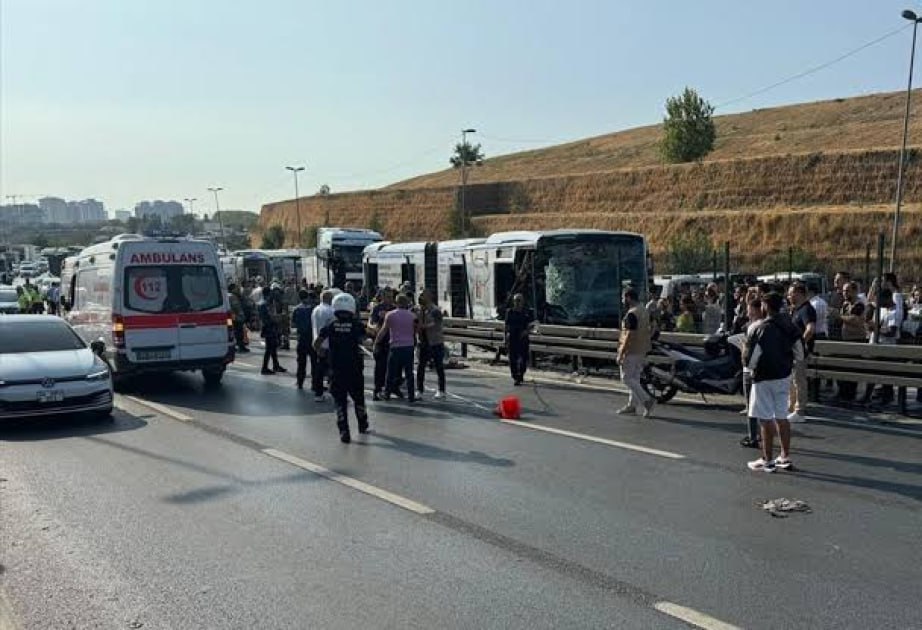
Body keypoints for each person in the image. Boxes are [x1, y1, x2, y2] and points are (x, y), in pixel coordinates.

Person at [745, 292, 802, 473]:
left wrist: (744, 351)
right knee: (782, 417)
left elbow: (750, 360)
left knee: (765, 419)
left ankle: (767, 460)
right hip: (783, 376)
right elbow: (800, 353)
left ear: (765, 306)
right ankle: (784, 456)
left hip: (763, 377)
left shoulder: (759, 328)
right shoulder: (789, 326)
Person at [313, 292, 370, 443]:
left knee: (340, 401)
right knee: (359, 399)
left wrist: (322, 353)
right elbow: (365, 339)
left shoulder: (330, 324)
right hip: (355, 368)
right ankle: (362, 425)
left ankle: (344, 432)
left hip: (336, 369)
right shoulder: (357, 324)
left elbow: (317, 342)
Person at [617, 288, 655, 418]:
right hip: (643, 349)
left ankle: (647, 400)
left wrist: (621, 352)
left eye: (623, 298)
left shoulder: (631, 314)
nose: (622, 300)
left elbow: (629, 335)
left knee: (626, 378)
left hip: (631, 350)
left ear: (628, 298)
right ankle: (632, 405)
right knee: (635, 378)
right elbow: (653, 327)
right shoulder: (644, 310)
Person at [376, 293, 417, 402]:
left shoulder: (390, 315)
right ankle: (411, 395)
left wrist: (376, 342)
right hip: (409, 346)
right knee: (409, 372)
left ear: (396, 303)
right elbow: (415, 330)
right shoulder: (412, 316)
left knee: (391, 372)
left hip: (395, 346)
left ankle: (387, 394)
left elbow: (383, 330)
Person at [786, 283, 816, 423]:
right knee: (792, 380)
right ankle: (791, 407)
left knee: (799, 380)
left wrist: (801, 344)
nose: (789, 296)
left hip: (800, 352)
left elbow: (810, 328)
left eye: (792, 293)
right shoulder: (796, 310)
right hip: (793, 351)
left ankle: (799, 410)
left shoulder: (806, 310)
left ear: (799, 294)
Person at [739, 298, 764, 449]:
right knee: (764, 406)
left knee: (751, 405)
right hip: (764, 370)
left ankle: (752, 436)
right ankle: (763, 434)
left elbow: (748, 351)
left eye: (749, 308)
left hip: (750, 369)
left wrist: (742, 347)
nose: (747, 311)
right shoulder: (767, 324)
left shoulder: (753, 326)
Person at [416, 290, 447, 399]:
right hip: (423, 342)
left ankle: (441, 390)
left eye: (422, 295)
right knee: (421, 367)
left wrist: (422, 326)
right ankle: (419, 390)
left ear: (429, 296)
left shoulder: (435, 310)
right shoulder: (419, 310)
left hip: (435, 342)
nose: (420, 297)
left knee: (439, 366)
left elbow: (435, 324)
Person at [369, 288, 395, 400]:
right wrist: (375, 328)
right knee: (380, 366)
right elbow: (371, 323)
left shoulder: (395, 308)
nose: (390, 299)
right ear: (383, 297)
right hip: (380, 340)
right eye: (388, 297)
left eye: (391, 297)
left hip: (393, 340)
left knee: (393, 367)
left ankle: (392, 388)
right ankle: (377, 389)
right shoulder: (377, 308)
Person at [311, 290, 337, 401]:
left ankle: (318, 393)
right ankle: (334, 391)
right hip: (329, 344)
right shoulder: (331, 311)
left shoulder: (315, 310)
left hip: (317, 342)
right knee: (333, 369)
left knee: (319, 370)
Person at [504, 293, 534, 386]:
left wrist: (526, 331)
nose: (517, 303)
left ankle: (521, 374)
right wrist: (505, 338)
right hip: (512, 337)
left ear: (523, 302)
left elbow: (531, 325)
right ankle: (515, 376)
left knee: (523, 358)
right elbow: (506, 326)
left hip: (522, 338)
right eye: (516, 301)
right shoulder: (510, 312)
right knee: (512, 358)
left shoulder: (527, 312)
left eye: (519, 300)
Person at [258, 286, 286, 375]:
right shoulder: (264, 304)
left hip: (269, 327)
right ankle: (264, 367)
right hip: (269, 328)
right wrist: (279, 318)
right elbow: (269, 317)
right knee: (269, 349)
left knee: (273, 348)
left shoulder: (265, 303)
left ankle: (275, 365)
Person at [291, 289, 314, 390]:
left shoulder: (296, 309)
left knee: (301, 362)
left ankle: (300, 382)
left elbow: (293, 324)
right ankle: (315, 383)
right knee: (314, 362)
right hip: (311, 338)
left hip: (301, 339)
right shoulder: (313, 309)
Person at [228, 283, 250, 353]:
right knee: (238, 331)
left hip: (229, 318)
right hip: (235, 317)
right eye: (236, 288)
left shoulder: (229, 295)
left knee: (232, 331)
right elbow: (236, 307)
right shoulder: (232, 296)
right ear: (232, 289)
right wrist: (241, 316)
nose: (237, 289)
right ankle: (240, 346)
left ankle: (236, 346)